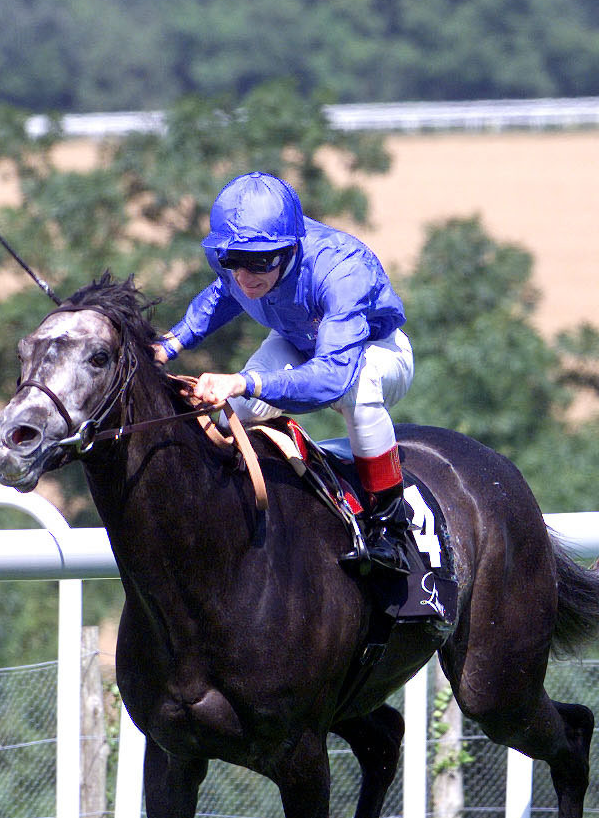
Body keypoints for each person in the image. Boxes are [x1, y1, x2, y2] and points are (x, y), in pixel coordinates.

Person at [155, 171, 419, 577]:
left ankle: (389, 526)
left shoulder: (344, 269)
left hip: (373, 351)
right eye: (232, 260)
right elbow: (222, 295)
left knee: (357, 390)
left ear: (292, 248)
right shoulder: (242, 264)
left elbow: (333, 377)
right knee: (234, 412)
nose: (244, 275)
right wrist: (168, 346)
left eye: (259, 261)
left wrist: (247, 380)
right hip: (299, 343)